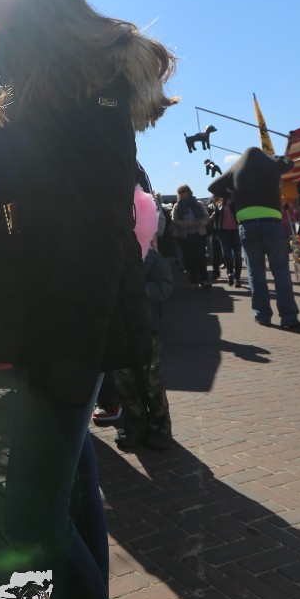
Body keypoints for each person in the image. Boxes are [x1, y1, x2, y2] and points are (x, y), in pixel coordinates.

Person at [0, 0, 177, 599]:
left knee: (27, 519)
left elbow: (95, 221)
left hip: (64, 325)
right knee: (75, 504)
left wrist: (68, 344)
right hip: (17, 322)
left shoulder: (88, 72)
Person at [209, 147, 300, 330]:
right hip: (272, 223)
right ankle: (289, 317)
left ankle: (262, 315)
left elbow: (213, 187)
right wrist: (273, 157)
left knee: (255, 272)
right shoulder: (272, 164)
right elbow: (289, 162)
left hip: (247, 226)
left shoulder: (236, 167)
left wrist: (233, 195)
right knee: (281, 271)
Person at [113, 189, 174, 452]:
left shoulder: (153, 258)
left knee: (151, 381)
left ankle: (160, 429)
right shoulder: (113, 258)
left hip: (148, 328)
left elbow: (165, 287)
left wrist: (139, 291)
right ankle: (135, 427)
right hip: (120, 328)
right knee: (125, 381)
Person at [171, 185, 211, 288]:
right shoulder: (177, 206)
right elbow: (175, 221)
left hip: (199, 233)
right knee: (190, 258)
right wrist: (190, 224)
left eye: (183, 191)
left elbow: (206, 217)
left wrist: (201, 222)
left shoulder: (198, 203)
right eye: (179, 192)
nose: (181, 193)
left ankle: (204, 280)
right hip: (185, 236)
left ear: (188, 192)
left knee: (201, 256)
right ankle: (194, 280)